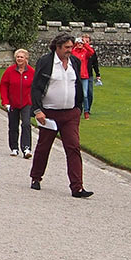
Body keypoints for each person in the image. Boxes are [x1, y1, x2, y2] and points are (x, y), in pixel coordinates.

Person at [29, 32, 94, 199]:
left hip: (70, 113)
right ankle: (36, 177)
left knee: (73, 147)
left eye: (71, 47)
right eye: (66, 48)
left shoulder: (75, 62)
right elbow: (36, 87)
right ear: (57, 47)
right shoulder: (46, 62)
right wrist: (38, 110)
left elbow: (78, 85)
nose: (70, 50)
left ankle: (77, 187)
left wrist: (78, 108)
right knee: (44, 146)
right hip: (49, 112)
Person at [0, 47, 35, 157]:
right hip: (12, 102)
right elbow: (3, 86)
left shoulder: (32, 72)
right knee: (13, 126)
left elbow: (35, 87)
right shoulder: (9, 71)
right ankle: (14, 147)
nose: (19, 59)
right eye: (18, 57)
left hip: (26, 102)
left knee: (26, 124)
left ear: (26, 58)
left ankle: (26, 148)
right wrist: (5, 101)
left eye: (21, 57)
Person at [74, 32, 103, 115]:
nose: (83, 43)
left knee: (88, 93)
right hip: (79, 75)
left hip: (88, 74)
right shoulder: (77, 51)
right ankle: (80, 109)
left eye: (86, 41)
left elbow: (95, 63)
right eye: (83, 41)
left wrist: (98, 74)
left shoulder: (88, 52)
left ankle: (87, 109)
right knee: (79, 94)